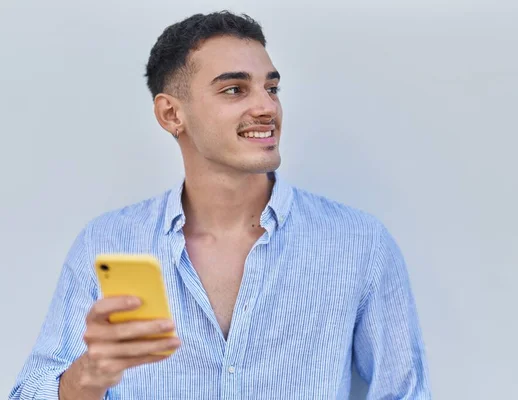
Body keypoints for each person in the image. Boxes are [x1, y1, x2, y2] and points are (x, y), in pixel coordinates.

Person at [9, 11, 432, 400]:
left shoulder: (359, 243)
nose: (266, 107)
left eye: (272, 87)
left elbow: (405, 393)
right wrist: (90, 375)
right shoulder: (108, 242)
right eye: (235, 89)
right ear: (172, 115)